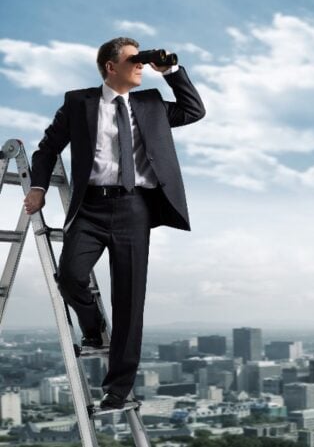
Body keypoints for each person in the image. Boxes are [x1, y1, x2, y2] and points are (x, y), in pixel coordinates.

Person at [23, 37, 205, 410]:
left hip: (134, 209)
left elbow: (194, 110)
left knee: (129, 301)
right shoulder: (79, 103)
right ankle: (93, 328)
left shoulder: (151, 104)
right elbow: (48, 148)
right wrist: (38, 187)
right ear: (110, 66)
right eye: (134, 60)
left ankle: (118, 388)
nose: (140, 65)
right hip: (90, 207)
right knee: (70, 275)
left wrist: (170, 71)